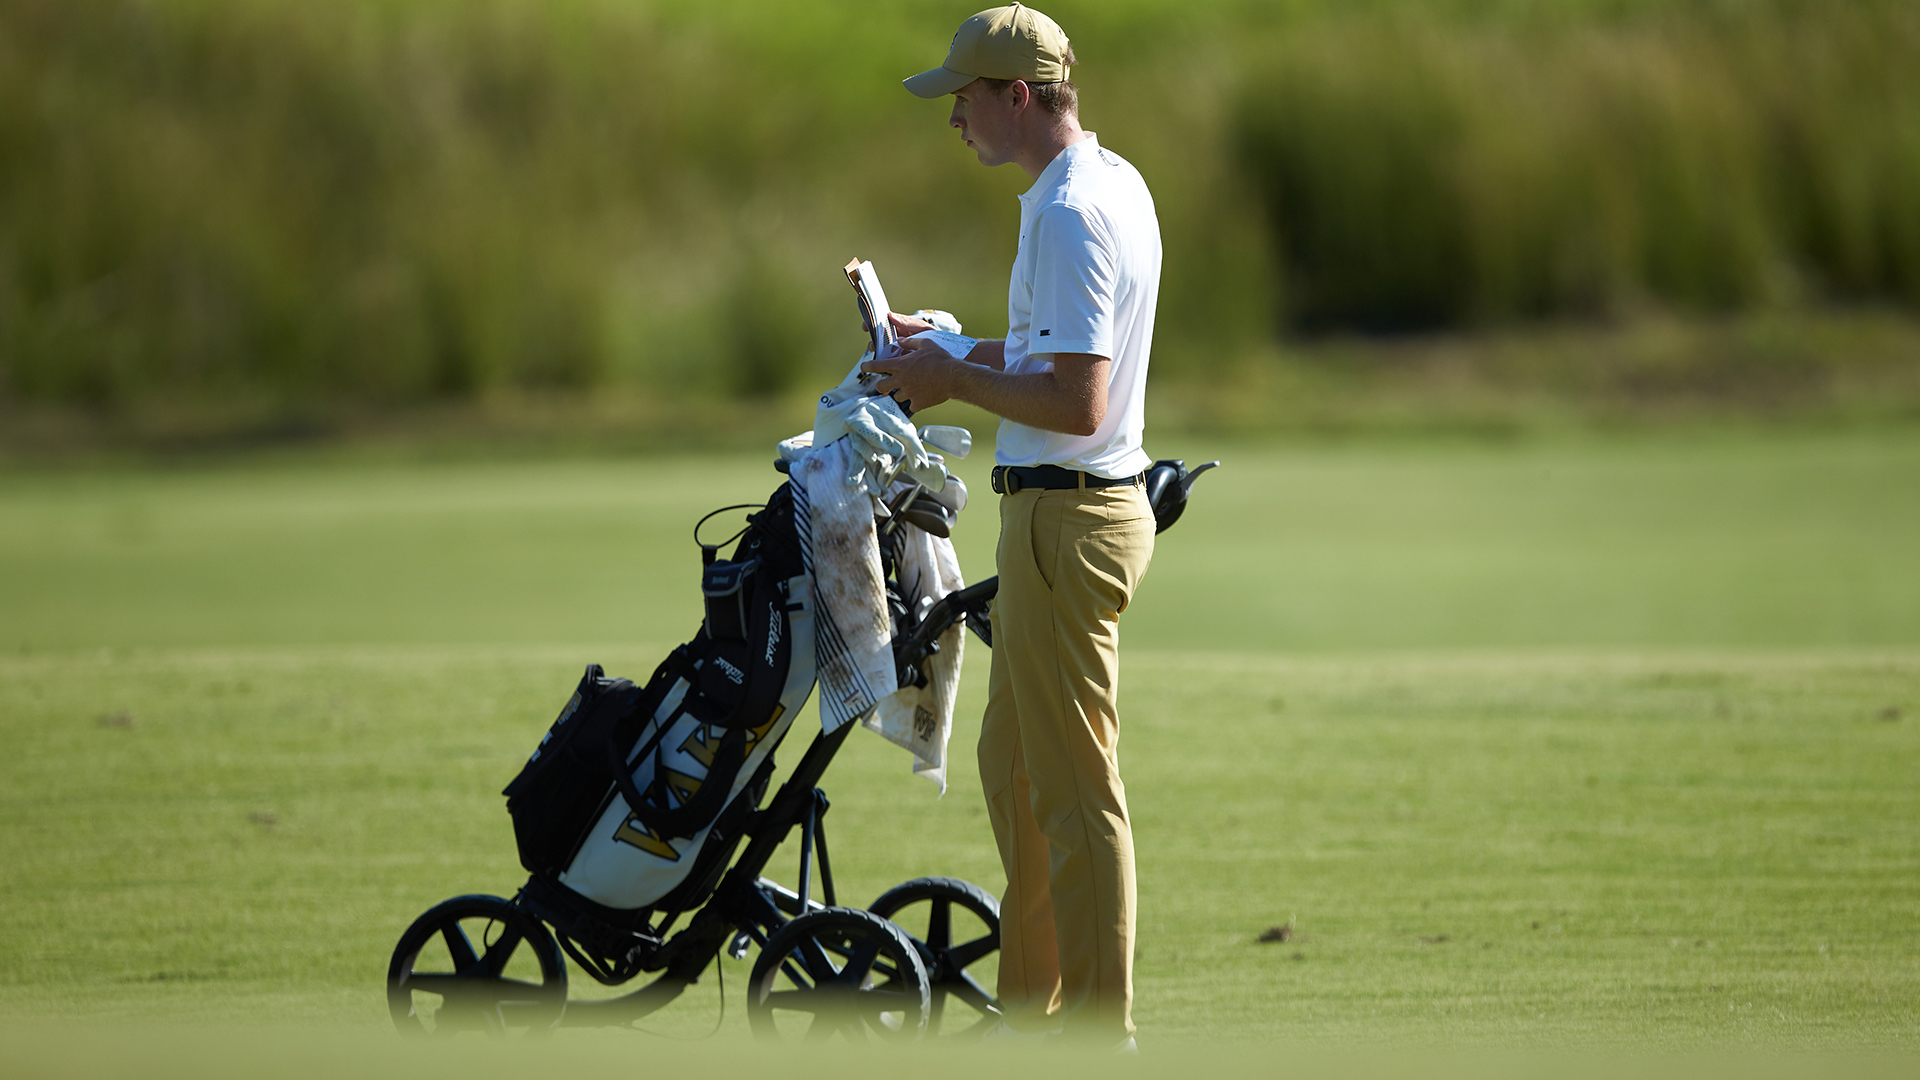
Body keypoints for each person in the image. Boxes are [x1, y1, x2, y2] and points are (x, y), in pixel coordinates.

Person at [863, 3, 1161, 1050]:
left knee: (1075, 791)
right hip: (1056, 515)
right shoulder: (1103, 181)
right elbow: (1050, 356)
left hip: (1068, 521)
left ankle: (1095, 1037)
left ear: (1019, 96)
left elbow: (1078, 400)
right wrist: (952, 349)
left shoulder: (1073, 211)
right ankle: (1034, 1013)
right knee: (1015, 766)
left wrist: (951, 382)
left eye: (965, 98)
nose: (955, 118)